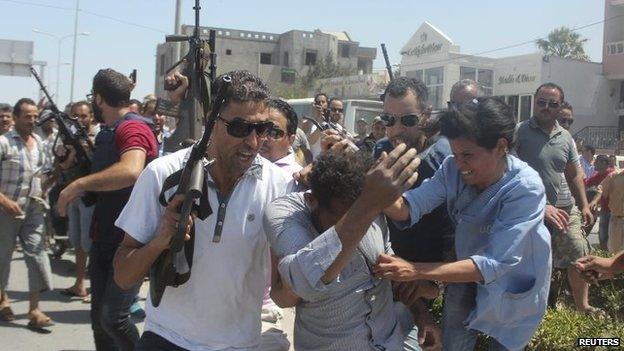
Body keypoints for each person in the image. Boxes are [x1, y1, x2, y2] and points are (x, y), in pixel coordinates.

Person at [113, 70, 292, 350]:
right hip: (166, 338)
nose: (253, 141)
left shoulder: (278, 185)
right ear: (211, 121)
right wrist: (160, 241)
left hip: (240, 344)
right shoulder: (163, 175)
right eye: (240, 128)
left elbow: (284, 292)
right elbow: (123, 276)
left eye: (262, 129)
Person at [377, 97, 552, 351]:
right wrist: (375, 190)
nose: (460, 164)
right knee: (454, 344)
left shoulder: (526, 187)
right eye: (455, 153)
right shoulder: (451, 168)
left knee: (504, 344)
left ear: (501, 146)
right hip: (464, 272)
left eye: (468, 155)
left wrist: (415, 270)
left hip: (513, 283)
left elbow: (496, 263)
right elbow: (410, 206)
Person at [265, 149, 441, 350]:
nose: (361, 226)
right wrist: (365, 206)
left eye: (367, 215)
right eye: (342, 218)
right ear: (312, 201)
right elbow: (302, 282)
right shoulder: (286, 213)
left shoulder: (373, 206)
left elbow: (390, 272)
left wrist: (422, 315)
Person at [57, 69, 158, 351]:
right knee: (100, 321)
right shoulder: (110, 131)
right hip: (104, 236)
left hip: (126, 241)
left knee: (114, 318)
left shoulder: (132, 128)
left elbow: (131, 170)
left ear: (99, 99)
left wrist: (77, 185)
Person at [514, 82, 597, 314]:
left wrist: (584, 206)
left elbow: (574, 175)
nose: (546, 108)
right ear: (534, 102)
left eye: (552, 104)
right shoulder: (519, 132)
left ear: (560, 107)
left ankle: (583, 306)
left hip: (563, 209)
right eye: (541, 102)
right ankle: (531, 310)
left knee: (578, 249)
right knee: (531, 262)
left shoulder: (565, 137)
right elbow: (507, 171)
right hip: (528, 210)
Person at [374, 76, 455, 264]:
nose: (396, 129)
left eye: (408, 120)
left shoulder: (442, 159)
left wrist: (432, 281)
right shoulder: (380, 150)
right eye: (388, 119)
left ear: (426, 114)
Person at [0, 98, 54, 328]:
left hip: (33, 209)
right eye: (27, 116)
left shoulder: (39, 143)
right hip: (6, 210)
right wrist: (4, 201)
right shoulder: (4, 143)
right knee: (3, 259)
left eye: (35, 116)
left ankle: (34, 309)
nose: (32, 120)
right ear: (16, 117)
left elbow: (47, 171)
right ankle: (2, 300)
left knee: (36, 255)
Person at [60, 101, 99, 301]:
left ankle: (95, 287)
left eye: (83, 116)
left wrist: (88, 148)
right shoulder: (69, 138)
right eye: (75, 116)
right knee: (78, 242)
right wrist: (73, 151)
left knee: (91, 243)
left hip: (92, 197)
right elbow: (63, 166)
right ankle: (79, 283)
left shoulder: (100, 136)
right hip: (75, 197)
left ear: (91, 116)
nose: (79, 120)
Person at [260, 98, 302, 176]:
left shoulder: (296, 178)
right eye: (261, 128)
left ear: (291, 140)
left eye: (273, 132)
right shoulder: (241, 168)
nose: (264, 138)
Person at [586, 155, 616, 250]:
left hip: (616, 212)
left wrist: (595, 200)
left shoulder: (613, 174)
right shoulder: (598, 175)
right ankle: (604, 257)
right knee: (602, 236)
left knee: (614, 237)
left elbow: (601, 190)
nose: (594, 163)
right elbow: (586, 184)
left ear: (603, 163)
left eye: (597, 162)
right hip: (605, 211)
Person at [592, 167, 624, 253]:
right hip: (617, 220)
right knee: (615, 252)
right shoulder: (614, 176)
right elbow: (601, 188)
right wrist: (595, 200)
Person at [303, 92, 329, 159]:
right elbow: (311, 141)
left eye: (323, 102)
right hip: (314, 160)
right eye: (318, 102)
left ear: (327, 104)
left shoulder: (330, 122)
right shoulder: (309, 121)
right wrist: (313, 116)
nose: (320, 104)